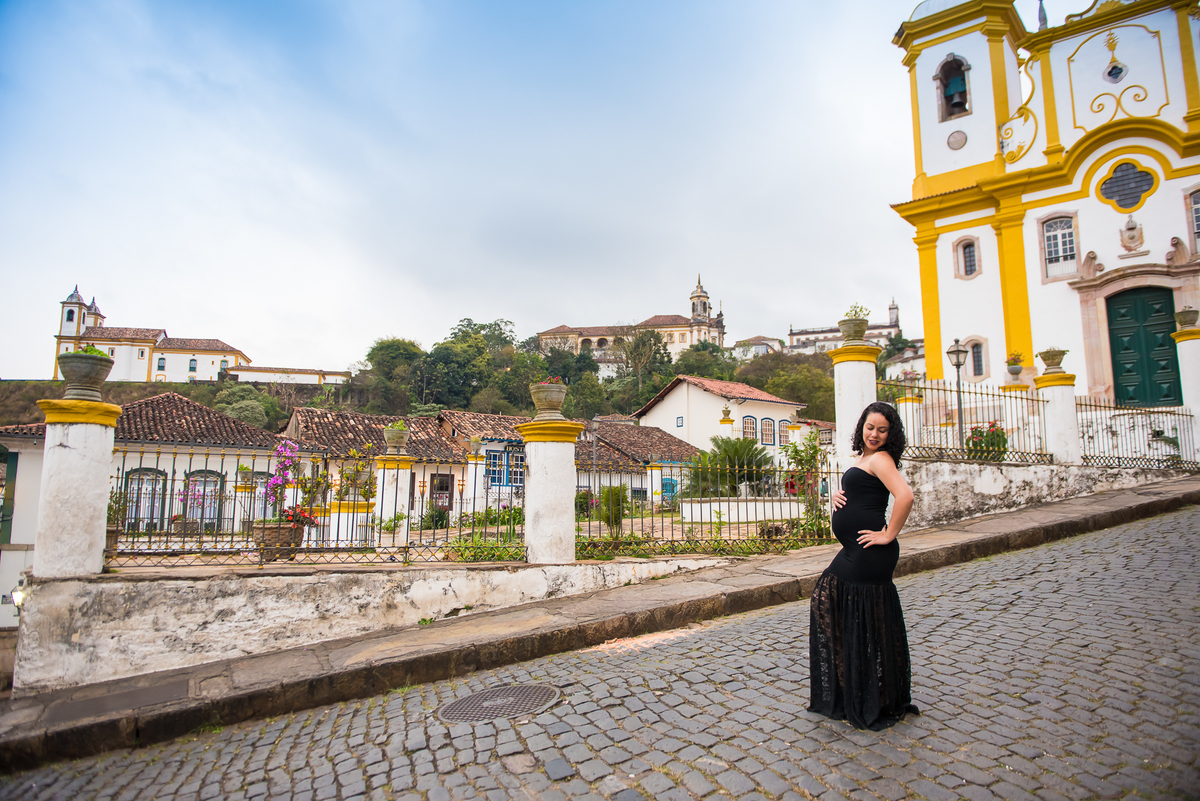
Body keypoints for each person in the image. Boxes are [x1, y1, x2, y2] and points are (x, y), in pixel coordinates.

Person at [808, 401, 919, 730]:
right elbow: (862, 494)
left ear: (890, 434)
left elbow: (905, 496)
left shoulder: (882, 458)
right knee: (853, 615)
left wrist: (888, 534)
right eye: (870, 427)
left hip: (870, 552)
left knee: (833, 601)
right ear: (862, 428)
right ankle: (859, 691)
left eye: (882, 430)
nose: (874, 434)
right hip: (856, 549)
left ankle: (862, 694)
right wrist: (838, 499)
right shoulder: (866, 459)